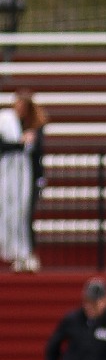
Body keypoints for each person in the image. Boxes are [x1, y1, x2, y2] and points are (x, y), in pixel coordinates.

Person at [0, 88, 43, 271]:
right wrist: (20, 143)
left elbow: (38, 151)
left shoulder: (34, 125)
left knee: (25, 214)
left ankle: (26, 253)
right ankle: (14, 252)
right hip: (11, 177)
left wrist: (40, 178)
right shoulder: (8, 121)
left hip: (28, 178)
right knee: (10, 212)